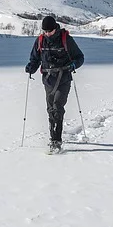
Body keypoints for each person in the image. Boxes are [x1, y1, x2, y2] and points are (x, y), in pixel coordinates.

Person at [25, 16, 84, 154]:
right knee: (50, 109)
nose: (47, 34)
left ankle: (55, 141)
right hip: (48, 80)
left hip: (63, 79)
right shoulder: (40, 40)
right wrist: (31, 67)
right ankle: (53, 135)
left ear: (55, 28)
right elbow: (35, 58)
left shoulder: (66, 39)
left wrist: (73, 65)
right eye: (45, 31)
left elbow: (80, 57)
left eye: (49, 31)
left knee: (57, 107)